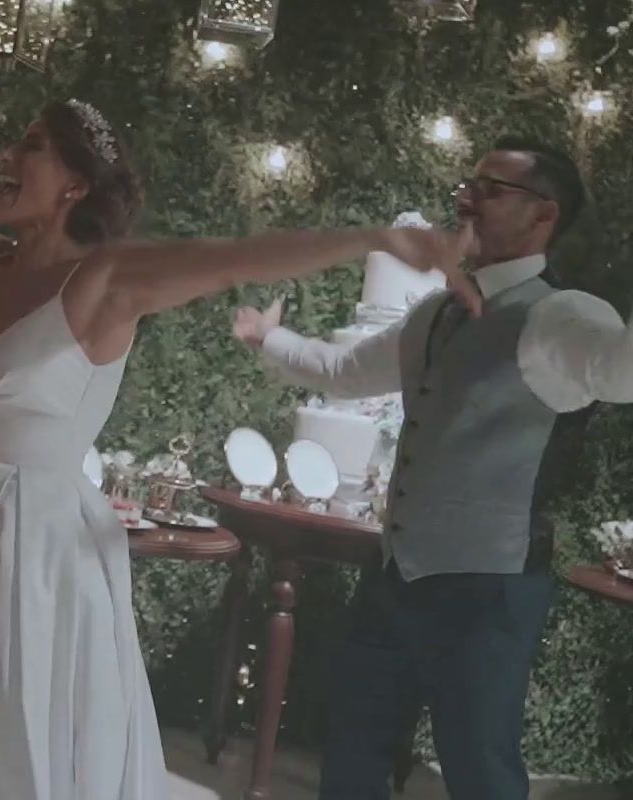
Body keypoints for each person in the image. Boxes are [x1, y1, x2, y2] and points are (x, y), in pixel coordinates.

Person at [0, 99, 475, 800]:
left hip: (30, 546)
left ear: (74, 185)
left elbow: (236, 257)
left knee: (0, 726)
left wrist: (376, 240)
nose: (7, 153)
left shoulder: (107, 280)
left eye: (30, 145)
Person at [233, 137, 633, 799]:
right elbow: (343, 370)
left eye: (492, 188)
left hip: (489, 590)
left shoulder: (562, 316)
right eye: (468, 182)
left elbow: (622, 370)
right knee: (353, 754)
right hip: (398, 576)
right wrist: (267, 339)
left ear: (544, 217)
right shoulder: (435, 310)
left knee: (479, 772)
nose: (465, 197)